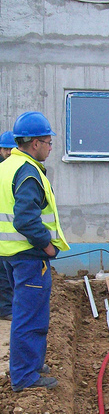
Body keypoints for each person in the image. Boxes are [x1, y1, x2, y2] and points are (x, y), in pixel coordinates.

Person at [0, 112, 70, 391]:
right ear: (34, 143)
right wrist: (47, 246)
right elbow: (26, 219)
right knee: (30, 317)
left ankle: (31, 364)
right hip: (29, 255)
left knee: (25, 312)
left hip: (10, 252)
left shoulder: (7, 166)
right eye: (48, 142)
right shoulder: (27, 172)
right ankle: (25, 376)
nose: (51, 147)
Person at [0, 132, 16, 320]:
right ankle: (6, 308)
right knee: (4, 274)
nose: (8, 153)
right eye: (5, 149)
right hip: (6, 235)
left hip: (8, 235)